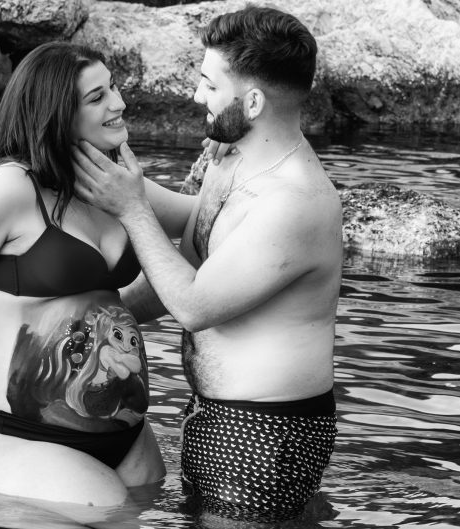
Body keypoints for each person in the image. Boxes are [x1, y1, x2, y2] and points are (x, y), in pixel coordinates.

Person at [0, 41, 197, 506]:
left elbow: (201, 218)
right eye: (97, 97)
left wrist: (239, 160)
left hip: (127, 437)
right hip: (15, 431)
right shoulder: (10, 190)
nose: (119, 103)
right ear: (56, 115)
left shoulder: (114, 186)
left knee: (149, 510)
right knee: (110, 514)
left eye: (113, 87)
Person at [72, 6, 341, 523]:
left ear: (253, 102)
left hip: (268, 431)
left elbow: (193, 305)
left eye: (210, 85)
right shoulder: (233, 159)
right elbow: (186, 263)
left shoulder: (296, 203)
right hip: (214, 414)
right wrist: (83, 323)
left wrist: (132, 208)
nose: (198, 96)